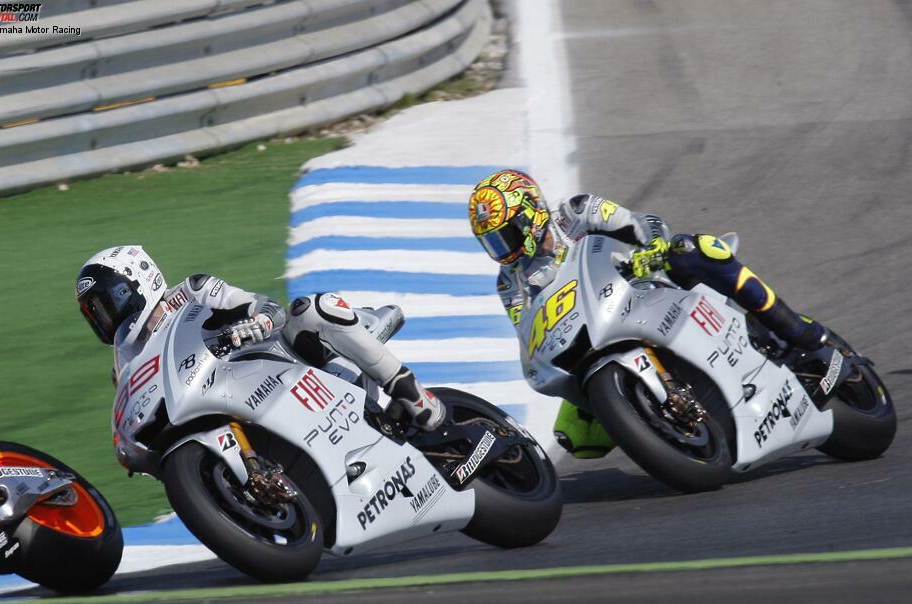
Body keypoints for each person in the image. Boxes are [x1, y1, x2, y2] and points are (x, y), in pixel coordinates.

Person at [468, 169, 827, 459]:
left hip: (646, 285)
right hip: (594, 330)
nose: (502, 249)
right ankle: (660, 420)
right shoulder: (510, 283)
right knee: (576, 439)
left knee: (696, 248)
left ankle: (794, 328)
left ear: (530, 213)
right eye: (492, 242)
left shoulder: (574, 213)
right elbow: (528, 328)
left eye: (506, 235)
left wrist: (651, 247)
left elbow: (643, 222)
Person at [75, 245, 445, 430]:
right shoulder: (125, 360)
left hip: (278, 363)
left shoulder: (192, 291)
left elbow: (265, 307)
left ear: (135, 283)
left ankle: (410, 391)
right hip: (227, 406)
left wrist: (257, 323)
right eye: (94, 314)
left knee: (311, 308)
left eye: (104, 304)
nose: (103, 318)